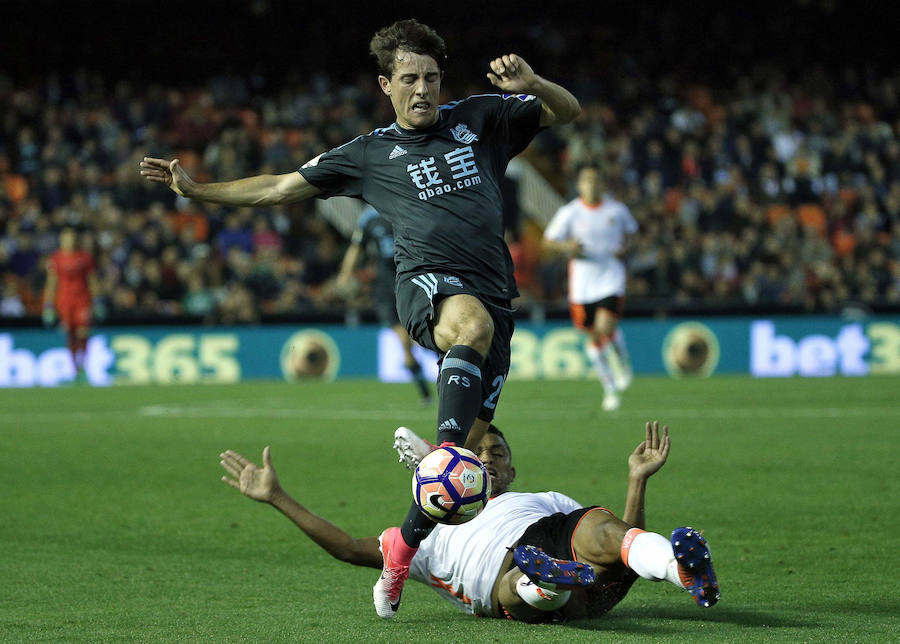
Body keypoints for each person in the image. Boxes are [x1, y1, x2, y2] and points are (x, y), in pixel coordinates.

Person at [141, 19, 581, 617]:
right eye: (408, 79)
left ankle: (402, 549)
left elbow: (567, 112)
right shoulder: (370, 153)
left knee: (470, 471)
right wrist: (199, 191)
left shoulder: (482, 118)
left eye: (429, 77)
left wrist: (533, 83)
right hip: (428, 285)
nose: (421, 88)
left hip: (496, 293)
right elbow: (277, 187)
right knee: (468, 343)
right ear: (386, 84)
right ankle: (442, 454)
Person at [219, 421, 720, 622]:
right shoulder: (423, 534)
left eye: (496, 453)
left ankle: (684, 573)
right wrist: (278, 497)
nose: (485, 460)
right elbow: (350, 547)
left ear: (510, 469)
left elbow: (618, 558)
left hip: (571, 560)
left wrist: (637, 481)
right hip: (507, 582)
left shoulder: (542, 498)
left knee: (601, 530)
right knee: (515, 588)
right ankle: (544, 582)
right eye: (475, 453)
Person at [543, 164, 638, 411]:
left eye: (596, 180)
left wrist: (625, 249)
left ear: (602, 184)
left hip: (610, 278)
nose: (591, 185)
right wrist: (568, 248)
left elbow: (632, 234)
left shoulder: (616, 210)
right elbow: (549, 241)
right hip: (582, 285)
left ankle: (622, 363)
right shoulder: (570, 212)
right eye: (587, 180)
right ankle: (609, 388)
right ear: (580, 185)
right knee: (595, 337)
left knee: (605, 326)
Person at [336, 206, 432, 404]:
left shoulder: (404, 205)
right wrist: (345, 273)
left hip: (411, 280)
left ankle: (441, 377)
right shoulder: (369, 217)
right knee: (403, 340)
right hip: (385, 287)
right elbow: (356, 247)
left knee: (422, 336)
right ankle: (423, 386)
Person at [42, 227, 104, 381]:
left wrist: (97, 300)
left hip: (82, 299)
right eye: (66, 238)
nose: (69, 241)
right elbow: (52, 282)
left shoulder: (85, 257)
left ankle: (83, 362)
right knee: (70, 333)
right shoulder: (55, 258)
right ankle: (74, 366)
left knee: (83, 331)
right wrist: (48, 304)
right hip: (64, 300)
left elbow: (92, 280)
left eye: (71, 238)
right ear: (61, 240)